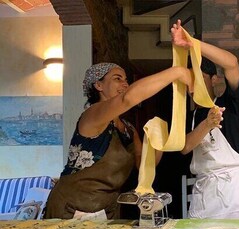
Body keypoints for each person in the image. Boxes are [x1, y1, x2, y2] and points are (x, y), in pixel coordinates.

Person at [44, 62, 193, 219]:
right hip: (72, 206)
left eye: (126, 79)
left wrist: (161, 140)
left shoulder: (128, 129)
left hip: (107, 207)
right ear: (98, 85)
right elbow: (127, 99)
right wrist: (177, 72)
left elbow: (144, 164)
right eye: (117, 78)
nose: (125, 84)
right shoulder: (92, 114)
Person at [171, 19, 239, 220]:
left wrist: (192, 44)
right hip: (205, 192)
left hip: (237, 191)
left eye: (199, 77)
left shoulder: (228, 104)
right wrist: (207, 124)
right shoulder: (188, 116)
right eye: (188, 79)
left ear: (214, 79)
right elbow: (185, 146)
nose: (192, 85)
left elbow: (231, 63)